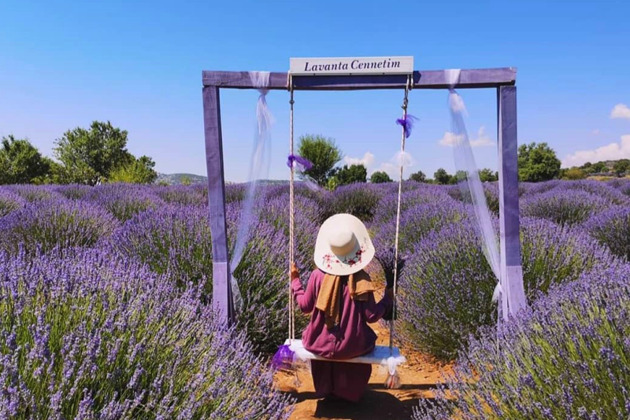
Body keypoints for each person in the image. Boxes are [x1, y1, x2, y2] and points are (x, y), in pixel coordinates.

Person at [290, 213, 394, 402]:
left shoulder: (316, 276)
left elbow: (305, 306)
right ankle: (348, 393)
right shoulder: (362, 279)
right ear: (356, 251)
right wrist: (387, 300)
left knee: (324, 343)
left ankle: (327, 390)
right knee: (357, 343)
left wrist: (295, 281)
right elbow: (371, 316)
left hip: (318, 343)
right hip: (352, 345)